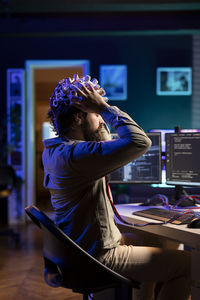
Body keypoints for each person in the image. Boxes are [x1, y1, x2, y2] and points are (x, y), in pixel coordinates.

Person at [42, 74, 191, 300]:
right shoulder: (76, 156)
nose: (102, 120)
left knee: (157, 241)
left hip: (83, 249)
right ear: (79, 117)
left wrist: (95, 110)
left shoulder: (56, 150)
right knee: (188, 265)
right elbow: (140, 141)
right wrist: (104, 107)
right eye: (96, 114)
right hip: (99, 255)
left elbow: (102, 140)